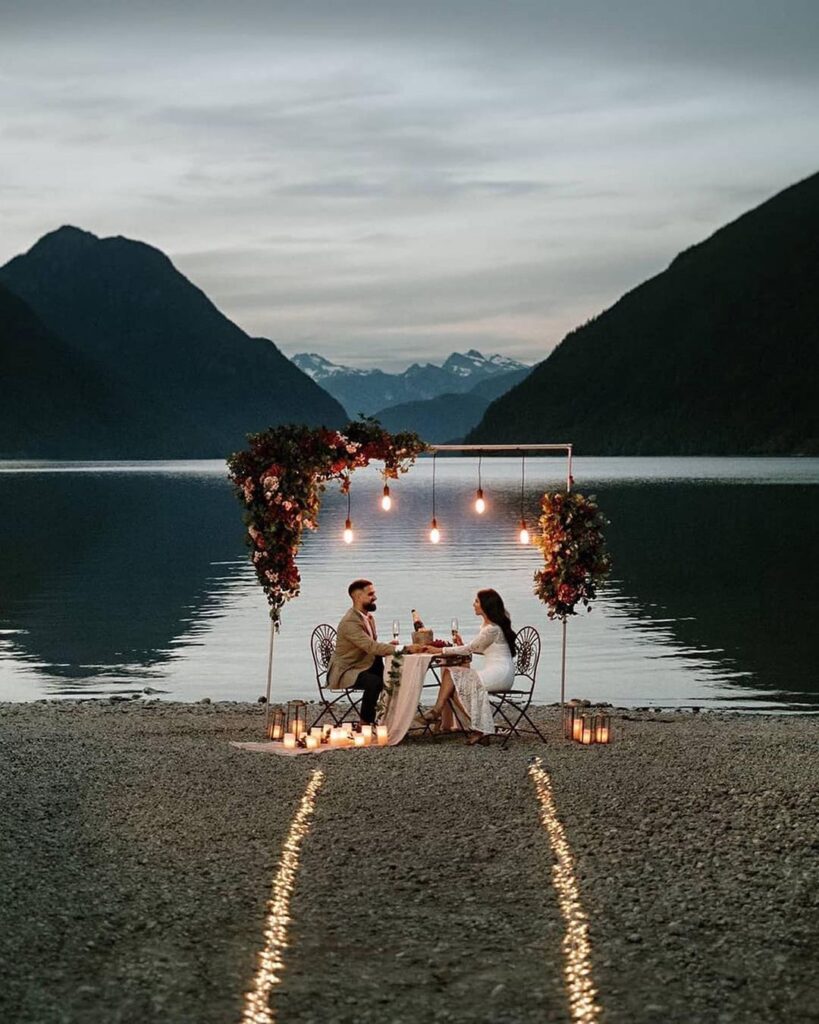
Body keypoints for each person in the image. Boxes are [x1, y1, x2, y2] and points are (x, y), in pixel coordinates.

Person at [421, 588, 516, 745]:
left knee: (451, 676)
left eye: (477, 601)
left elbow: (470, 649)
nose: (474, 604)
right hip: (497, 671)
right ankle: (480, 728)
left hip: (500, 674)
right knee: (452, 685)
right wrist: (462, 645)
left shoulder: (492, 629)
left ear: (485, 605)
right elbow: (478, 648)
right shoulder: (488, 627)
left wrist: (440, 650)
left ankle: (438, 711)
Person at [328, 579, 421, 724]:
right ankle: (365, 723)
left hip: (366, 663)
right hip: (348, 669)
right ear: (358, 597)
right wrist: (405, 648)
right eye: (371, 594)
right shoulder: (350, 622)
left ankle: (395, 717)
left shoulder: (368, 618)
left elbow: (371, 645)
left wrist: (388, 647)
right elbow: (372, 647)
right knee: (375, 682)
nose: (375, 597)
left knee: (397, 676)